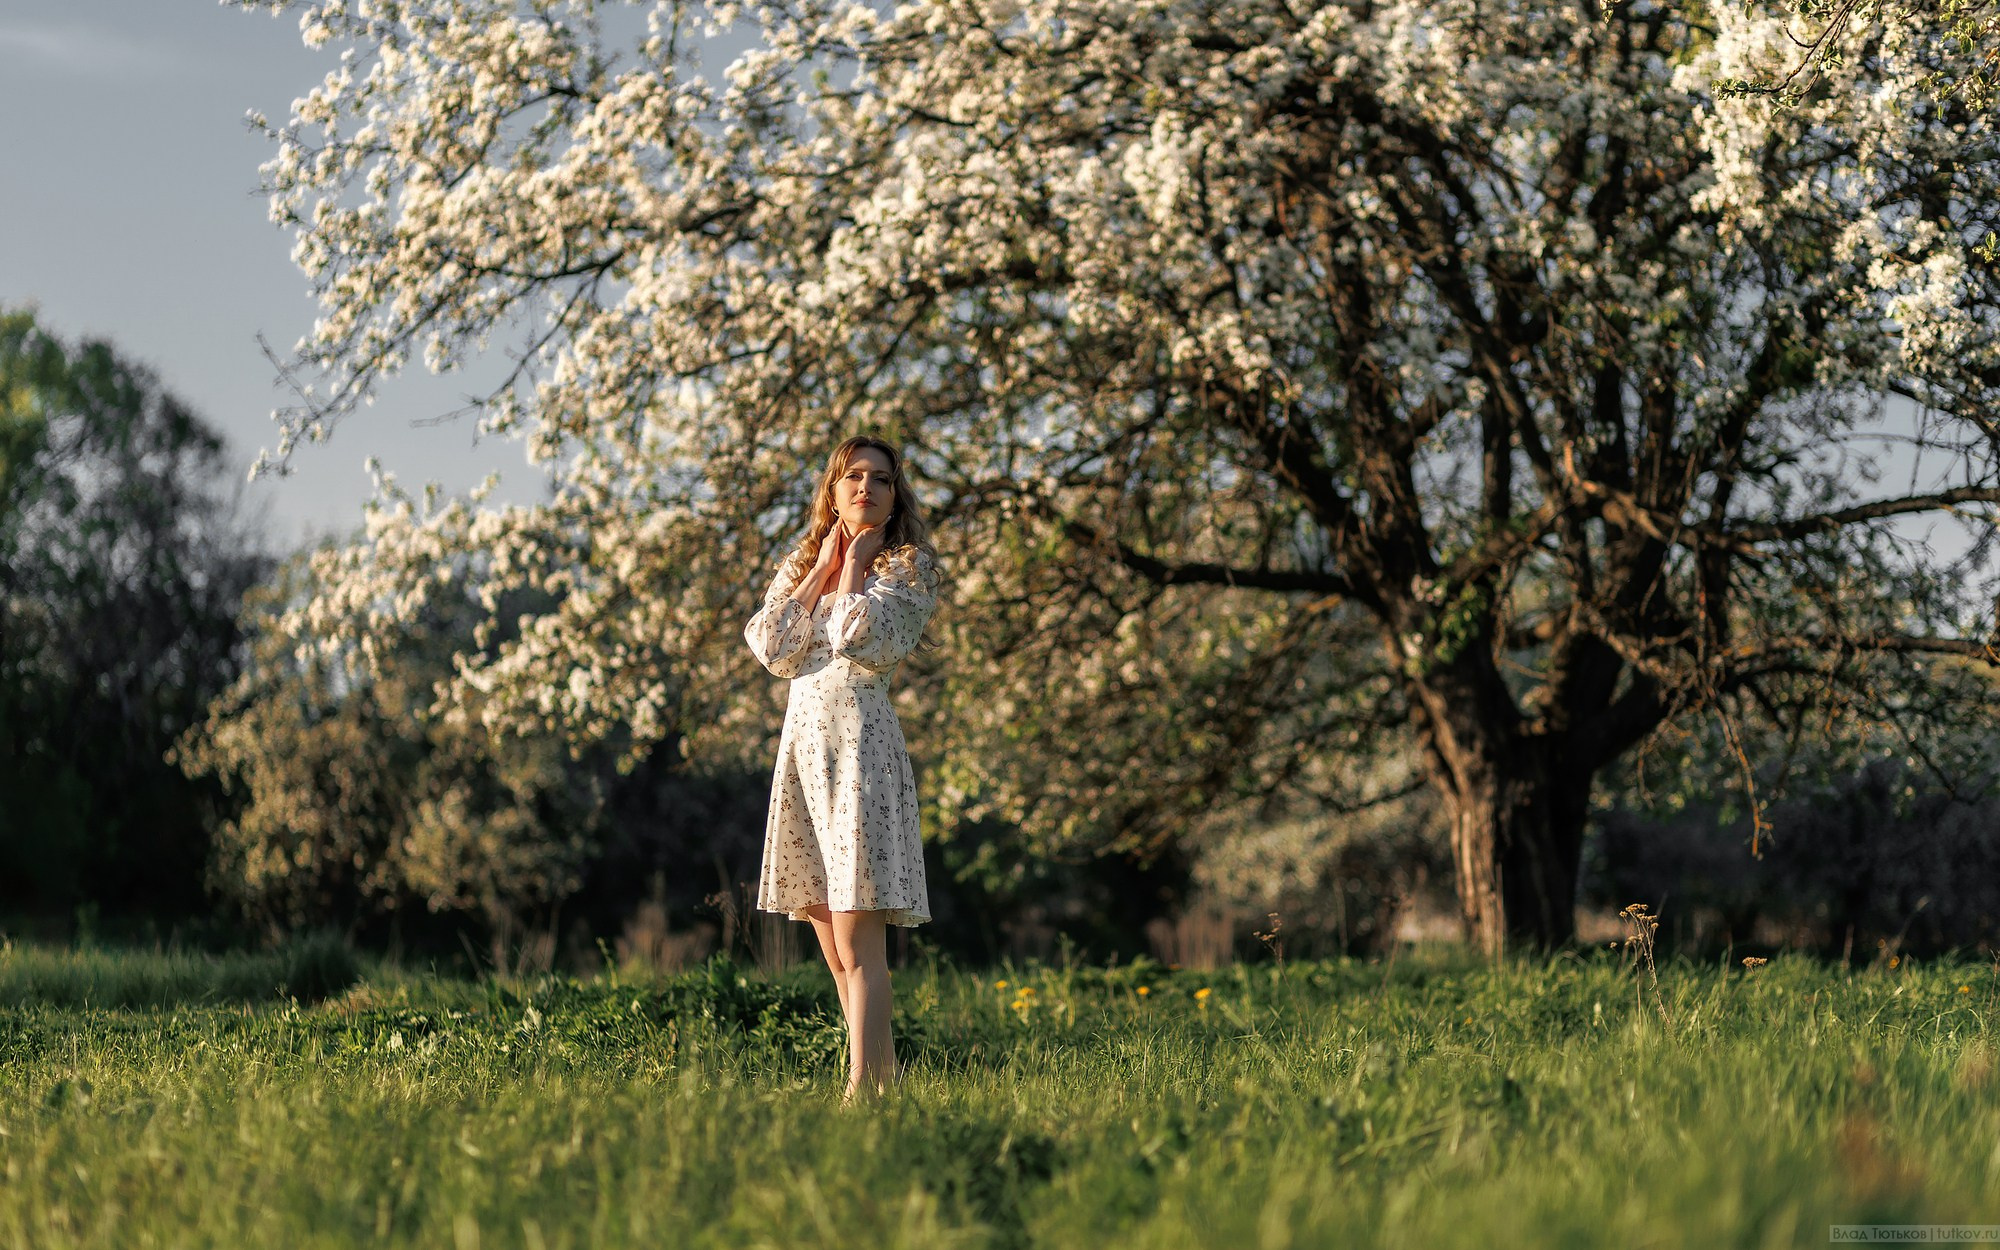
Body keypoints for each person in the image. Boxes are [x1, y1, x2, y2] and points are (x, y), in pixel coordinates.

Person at [743, 434, 942, 1105]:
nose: (865, 488)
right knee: (835, 953)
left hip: (860, 756)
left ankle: (862, 1090)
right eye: (852, 477)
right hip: (804, 756)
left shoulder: (905, 572)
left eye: (880, 480)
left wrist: (855, 565)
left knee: (862, 948)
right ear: (832, 489)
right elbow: (773, 647)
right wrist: (822, 565)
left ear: (895, 495)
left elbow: (857, 638)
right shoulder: (803, 562)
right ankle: (885, 1077)